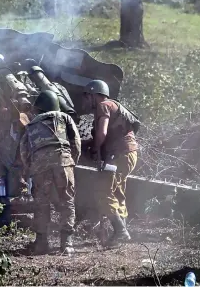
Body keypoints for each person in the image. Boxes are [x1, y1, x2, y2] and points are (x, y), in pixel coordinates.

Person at [20, 90, 81, 255]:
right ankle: (67, 244)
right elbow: (75, 140)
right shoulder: (63, 117)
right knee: (67, 201)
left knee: (41, 203)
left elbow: (24, 151)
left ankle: (41, 243)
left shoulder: (31, 124)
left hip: (39, 166)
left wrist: (30, 168)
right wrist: (72, 160)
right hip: (63, 162)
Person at [83, 79, 139, 247]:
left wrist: (95, 148)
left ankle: (121, 232)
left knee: (103, 192)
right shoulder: (116, 105)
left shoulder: (104, 105)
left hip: (118, 155)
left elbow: (102, 132)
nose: (86, 101)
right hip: (129, 154)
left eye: (87, 96)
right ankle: (121, 235)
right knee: (118, 192)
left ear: (94, 94)